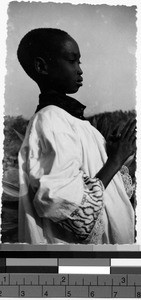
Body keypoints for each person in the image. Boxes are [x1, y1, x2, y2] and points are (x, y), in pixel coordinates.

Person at [17, 28, 136, 244]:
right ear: (41, 67)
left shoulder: (74, 122)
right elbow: (59, 201)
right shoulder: (50, 120)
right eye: (72, 61)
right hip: (75, 259)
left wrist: (108, 155)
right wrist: (115, 161)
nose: (80, 70)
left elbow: (107, 196)